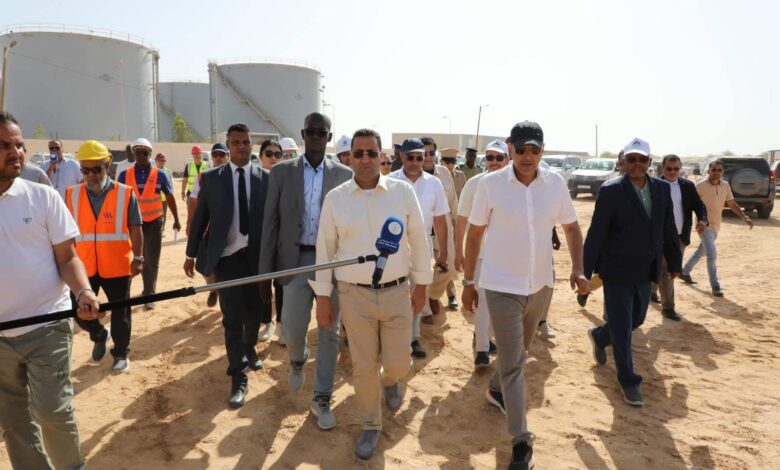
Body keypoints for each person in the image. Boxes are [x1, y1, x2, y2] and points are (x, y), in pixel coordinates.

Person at [462, 121, 587, 469]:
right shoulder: (490, 185)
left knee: (520, 353)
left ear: (542, 150)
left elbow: (571, 228)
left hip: (541, 286)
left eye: (534, 149)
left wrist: (578, 268)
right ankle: (521, 441)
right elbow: (474, 234)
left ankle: (495, 389)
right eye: (521, 149)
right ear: (510, 149)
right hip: (501, 286)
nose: (528, 156)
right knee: (516, 363)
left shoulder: (555, 184)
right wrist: (469, 281)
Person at [312, 128, 432, 459]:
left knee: (399, 363)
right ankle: (371, 424)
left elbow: (419, 240)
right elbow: (325, 251)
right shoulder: (335, 199)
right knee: (363, 365)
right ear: (349, 158)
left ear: (382, 156)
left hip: (397, 292)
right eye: (358, 153)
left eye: (371, 153)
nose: (365, 159)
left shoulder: (402, 192)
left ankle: (391, 380)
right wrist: (323, 298)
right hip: (354, 296)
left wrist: (422, 285)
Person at [0, 110, 101, 470]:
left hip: (47, 323)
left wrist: (84, 292)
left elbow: (68, 257)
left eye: (19, 145)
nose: (16, 152)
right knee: (13, 422)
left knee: (50, 411)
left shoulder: (42, 197)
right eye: (5, 146)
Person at [258, 112, 352, 429]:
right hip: (294, 260)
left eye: (321, 132)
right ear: (302, 134)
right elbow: (270, 222)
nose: (315, 137)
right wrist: (265, 272)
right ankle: (298, 359)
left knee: (329, 331)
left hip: (330, 263)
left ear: (328, 137)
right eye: (310, 131)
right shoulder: (281, 172)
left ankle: (321, 397)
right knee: (294, 328)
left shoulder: (344, 175)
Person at [584, 137, 682, 407]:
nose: (636, 164)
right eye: (631, 159)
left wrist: (674, 262)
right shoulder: (611, 190)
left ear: (650, 162)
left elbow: (667, 228)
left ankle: (600, 336)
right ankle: (628, 381)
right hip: (616, 269)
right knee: (623, 329)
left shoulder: (661, 188)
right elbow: (596, 232)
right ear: (623, 162)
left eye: (641, 159)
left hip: (645, 269)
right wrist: (584, 271)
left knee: (636, 319)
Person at [184, 123, 270, 409]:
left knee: (255, 311)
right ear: (229, 145)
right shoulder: (212, 179)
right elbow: (201, 218)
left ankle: (250, 346)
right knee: (231, 317)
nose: (241, 146)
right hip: (227, 259)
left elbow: (273, 221)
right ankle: (238, 376)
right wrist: (190, 253)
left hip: (256, 258)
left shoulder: (265, 179)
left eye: (246, 141)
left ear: (251, 144)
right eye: (236, 142)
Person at [68, 140, 144, 373]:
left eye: (96, 169)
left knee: (121, 314)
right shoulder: (71, 194)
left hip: (117, 265)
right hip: (84, 266)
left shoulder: (125, 193)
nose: (91, 175)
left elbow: (135, 228)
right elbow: (66, 233)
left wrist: (139, 258)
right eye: (85, 170)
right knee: (76, 309)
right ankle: (99, 334)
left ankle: (120, 353)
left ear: (108, 165)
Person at [389, 138, 449, 359]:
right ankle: (394, 338)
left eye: (419, 157)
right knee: (394, 294)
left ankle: (413, 339)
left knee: (417, 294)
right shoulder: (389, 181)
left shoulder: (434, 184)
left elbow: (440, 220)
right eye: (410, 157)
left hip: (421, 249)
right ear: (401, 157)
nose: (415, 162)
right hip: (393, 249)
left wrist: (444, 253)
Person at [455, 138, 509, 368]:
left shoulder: (516, 185)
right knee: (484, 300)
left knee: (501, 303)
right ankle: (482, 350)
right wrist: (458, 251)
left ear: (508, 159)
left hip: (507, 256)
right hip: (480, 254)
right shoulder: (474, 184)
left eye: (499, 158)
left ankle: (483, 335)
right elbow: (461, 220)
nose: (494, 162)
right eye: (490, 157)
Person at [117, 138, 181, 310]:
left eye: (145, 153)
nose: (141, 156)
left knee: (151, 259)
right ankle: (124, 296)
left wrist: (176, 219)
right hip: (132, 225)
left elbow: (169, 197)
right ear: (133, 154)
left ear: (150, 154)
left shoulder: (160, 174)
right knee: (130, 258)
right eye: (138, 153)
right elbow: (118, 200)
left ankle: (149, 294)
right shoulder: (125, 175)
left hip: (154, 223)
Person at [680, 159, 753, 296]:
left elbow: (732, 204)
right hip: (704, 226)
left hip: (716, 226)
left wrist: (745, 217)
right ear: (708, 171)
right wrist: (696, 222)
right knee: (712, 255)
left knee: (701, 251)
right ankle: (715, 286)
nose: (716, 172)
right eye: (714, 170)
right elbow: (690, 205)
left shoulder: (725, 186)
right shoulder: (700, 186)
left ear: (722, 172)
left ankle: (684, 272)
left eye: (719, 170)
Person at [649, 154, 708, 320]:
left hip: (679, 237)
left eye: (676, 169)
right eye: (669, 168)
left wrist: (702, 220)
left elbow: (699, 205)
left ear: (680, 168)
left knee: (669, 269)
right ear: (662, 168)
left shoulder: (687, 186)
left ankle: (665, 305)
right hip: (658, 236)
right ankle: (660, 300)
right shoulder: (653, 185)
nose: (672, 172)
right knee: (660, 267)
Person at [187, 143, 229, 309]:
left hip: (227, 230)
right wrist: (190, 223)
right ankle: (213, 288)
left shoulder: (234, 176)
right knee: (205, 265)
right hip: (207, 229)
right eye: (215, 155)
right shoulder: (203, 177)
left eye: (221, 155)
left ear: (227, 157)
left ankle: (224, 297)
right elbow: (194, 201)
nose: (218, 158)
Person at [420, 137, 459, 313]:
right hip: (423, 234)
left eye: (431, 153)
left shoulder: (443, 173)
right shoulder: (412, 175)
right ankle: (425, 308)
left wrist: (458, 224)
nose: (428, 157)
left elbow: (452, 201)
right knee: (423, 270)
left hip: (443, 231)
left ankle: (433, 296)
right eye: (424, 153)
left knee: (446, 270)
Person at [155, 152, 174, 224]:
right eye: (159, 160)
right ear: (156, 161)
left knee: (163, 216)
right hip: (154, 199)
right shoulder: (151, 170)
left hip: (164, 198)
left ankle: (162, 229)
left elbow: (171, 185)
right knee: (155, 216)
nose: (161, 162)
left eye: (163, 160)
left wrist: (170, 196)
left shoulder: (168, 171)